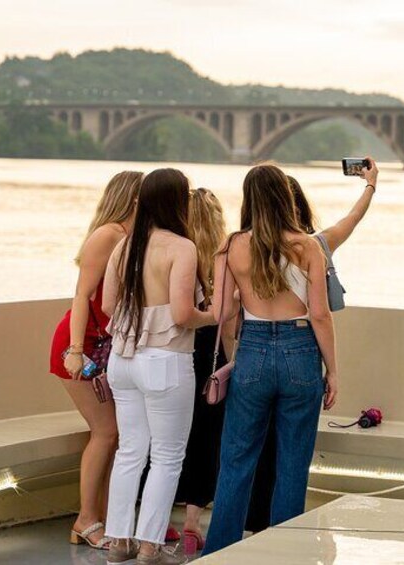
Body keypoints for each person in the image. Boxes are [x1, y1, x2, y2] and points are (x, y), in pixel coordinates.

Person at [201, 163, 339, 555]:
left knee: (237, 459)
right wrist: (333, 371)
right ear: (284, 195)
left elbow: (221, 314)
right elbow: (320, 315)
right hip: (300, 352)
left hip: (254, 352)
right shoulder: (307, 246)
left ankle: (219, 553)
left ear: (249, 198)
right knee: (292, 463)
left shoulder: (230, 247)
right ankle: (284, 554)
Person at [244, 161, 379, 533]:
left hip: (253, 355)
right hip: (299, 355)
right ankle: (282, 534)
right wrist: (370, 186)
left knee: (250, 450)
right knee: (293, 453)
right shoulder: (315, 246)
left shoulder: (242, 246)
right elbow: (350, 221)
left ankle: (249, 525)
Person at [102, 169, 216, 565]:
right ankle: (150, 546)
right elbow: (184, 314)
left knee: (130, 452)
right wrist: (215, 313)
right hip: (165, 361)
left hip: (123, 360)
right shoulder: (181, 247)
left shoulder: (125, 246)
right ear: (177, 201)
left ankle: (119, 541)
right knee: (167, 457)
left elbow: (106, 306)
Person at [49, 170, 143, 550]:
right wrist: (75, 351)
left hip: (105, 350)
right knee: (105, 433)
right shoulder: (108, 235)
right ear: (135, 199)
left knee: (116, 435)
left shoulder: (132, 237)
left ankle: (97, 519)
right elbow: (81, 295)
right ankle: (86, 519)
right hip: (81, 347)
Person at [174, 188, 233, 555]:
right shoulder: (224, 259)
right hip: (210, 361)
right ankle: (193, 525)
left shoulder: (175, 254)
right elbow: (229, 323)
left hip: (173, 355)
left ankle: (158, 521)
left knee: (165, 440)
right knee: (205, 439)